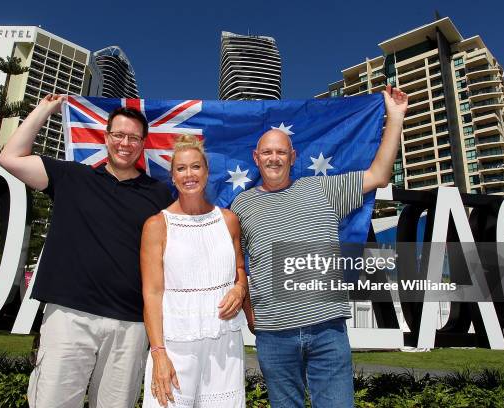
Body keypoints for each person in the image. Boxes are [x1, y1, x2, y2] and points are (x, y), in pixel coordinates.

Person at [230, 84, 408, 408]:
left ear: (293, 156)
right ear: (256, 158)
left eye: (281, 151)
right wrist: (249, 311)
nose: (274, 158)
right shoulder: (241, 205)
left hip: (328, 330)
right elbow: (235, 266)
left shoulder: (323, 190)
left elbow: (379, 175)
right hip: (273, 335)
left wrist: (394, 117)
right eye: (267, 152)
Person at [0, 94, 173, 408]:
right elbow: (9, 158)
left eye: (133, 137)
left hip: (130, 324)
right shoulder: (72, 176)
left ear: (143, 144)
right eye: (118, 135)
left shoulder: (159, 194)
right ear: (106, 137)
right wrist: (44, 110)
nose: (125, 143)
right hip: (69, 316)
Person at [140, 135, 249, 407]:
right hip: (176, 346)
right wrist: (159, 354)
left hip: (225, 344)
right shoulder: (157, 225)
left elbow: (239, 269)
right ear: (173, 177)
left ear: (207, 172)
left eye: (196, 166)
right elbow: (152, 294)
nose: (189, 174)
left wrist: (239, 288)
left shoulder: (228, 220)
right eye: (181, 168)